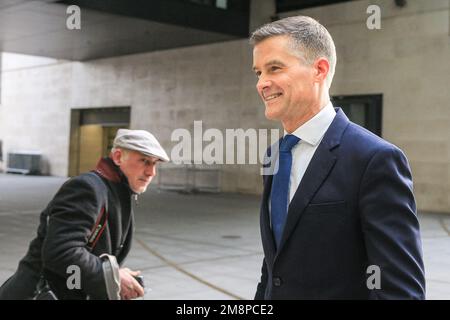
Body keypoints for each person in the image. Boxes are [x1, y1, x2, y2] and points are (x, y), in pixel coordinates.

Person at [250, 16, 425, 299]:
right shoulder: (275, 155)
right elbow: (276, 262)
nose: (262, 83)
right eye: (258, 72)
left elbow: (399, 290)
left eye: (274, 68)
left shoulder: (375, 159)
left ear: (319, 70)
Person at [0, 129, 169, 300]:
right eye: (144, 161)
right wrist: (112, 276)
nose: (151, 172)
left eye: (155, 163)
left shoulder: (117, 192)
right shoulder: (87, 188)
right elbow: (61, 251)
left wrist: (115, 276)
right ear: (118, 157)